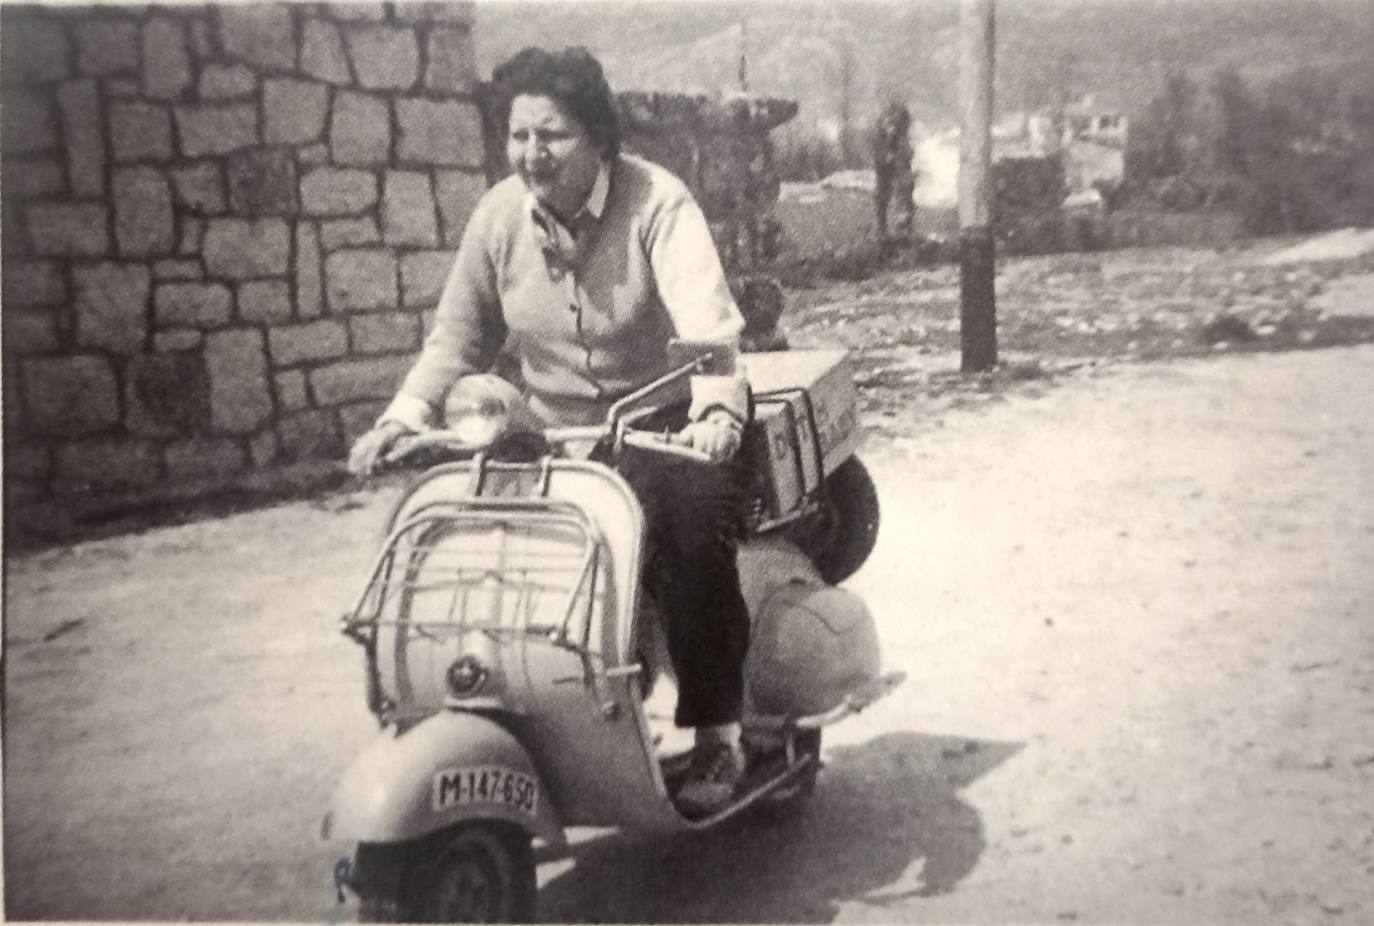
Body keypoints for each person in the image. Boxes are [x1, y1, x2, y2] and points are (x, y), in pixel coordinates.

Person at [348, 47, 752, 817]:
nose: (532, 154)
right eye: (519, 135)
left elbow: (706, 326)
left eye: (553, 135)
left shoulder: (657, 202)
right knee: (469, 530)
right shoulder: (499, 215)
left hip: (664, 419)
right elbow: (456, 339)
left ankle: (717, 732)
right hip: (553, 431)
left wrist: (716, 415)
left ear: (599, 136)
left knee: (692, 529)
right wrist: (401, 420)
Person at [871, 100, 915, 241]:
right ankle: (882, 228)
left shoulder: (902, 136)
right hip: (884, 166)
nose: (890, 127)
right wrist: (886, 156)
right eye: (887, 124)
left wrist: (899, 156)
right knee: (882, 195)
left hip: (899, 165)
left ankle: (904, 226)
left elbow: (907, 154)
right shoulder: (880, 135)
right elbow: (879, 155)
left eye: (892, 124)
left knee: (904, 190)